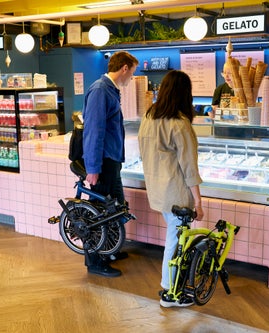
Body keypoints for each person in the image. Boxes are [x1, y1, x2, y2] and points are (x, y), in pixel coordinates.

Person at [137, 70, 204, 307]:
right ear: (185, 93)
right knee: (174, 242)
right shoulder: (179, 123)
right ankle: (169, 292)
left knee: (173, 238)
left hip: (156, 190)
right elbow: (189, 167)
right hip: (176, 193)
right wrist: (198, 201)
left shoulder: (149, 116)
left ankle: (172, 287)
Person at [82, 51, 139, 277]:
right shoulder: (100, 90)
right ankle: (95, 261)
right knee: (98, 213)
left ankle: (110, 249)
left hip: (112, 160)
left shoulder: (110, 90)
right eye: (132, 72)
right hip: (103, 162)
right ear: (124, 68)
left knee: (115, 209)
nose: (131, 78)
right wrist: (93, 168)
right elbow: (93, 131)